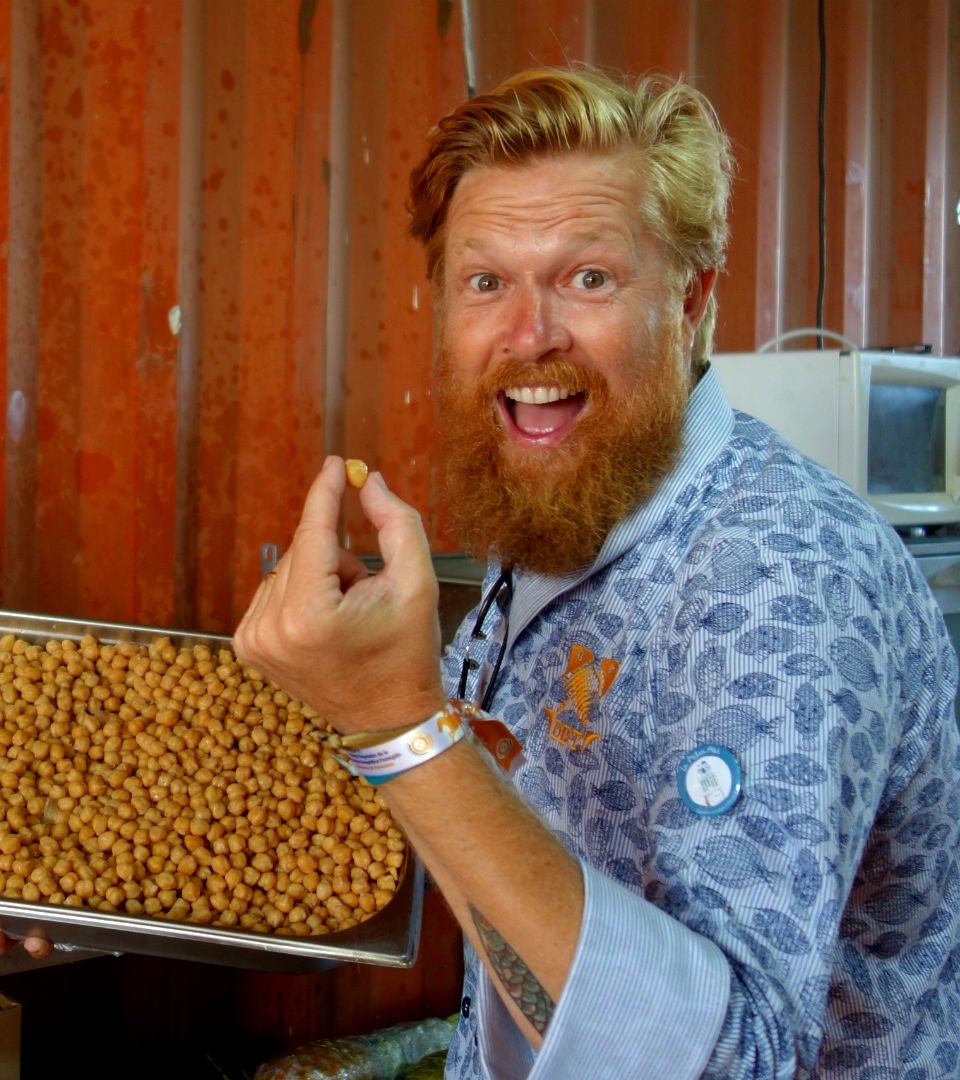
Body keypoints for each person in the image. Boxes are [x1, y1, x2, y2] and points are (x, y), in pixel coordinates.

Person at [232, 65, 960, 1078]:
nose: (531, 335)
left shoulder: (778, 581)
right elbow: (491, 843)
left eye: (588, 278)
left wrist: (402, 723)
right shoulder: (566, 506)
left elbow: (734, 1063)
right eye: (488, 282)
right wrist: (67, 875)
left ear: (693, 299)